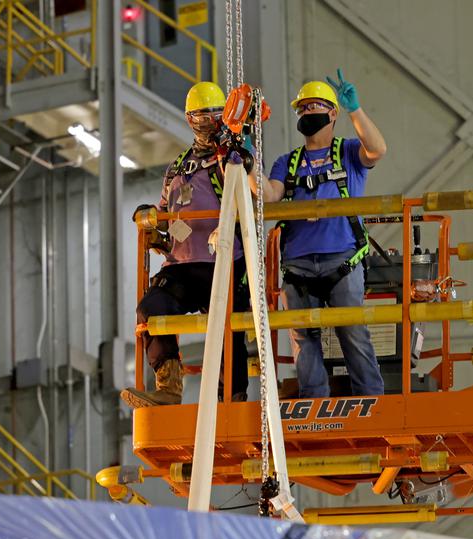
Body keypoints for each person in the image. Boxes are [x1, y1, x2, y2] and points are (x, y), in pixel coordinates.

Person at [122, 80, 250, 408]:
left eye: (216, 114)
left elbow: (248, 188)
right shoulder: (178, 167)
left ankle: (230, 399)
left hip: (223, 260)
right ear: (190, 119)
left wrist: (236, 148)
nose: (209, 122)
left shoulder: (232, 158)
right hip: (182, 264)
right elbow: (165, 210)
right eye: (201, 116)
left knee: (227, 325)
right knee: (151, 308)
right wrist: (152, 221)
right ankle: (168, 388)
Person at [259, 70, 386, 399]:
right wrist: (245, 158)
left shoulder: (348, 153)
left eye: (313, 106)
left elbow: (378, 149)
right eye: (301, 109)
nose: (306, 114)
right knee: (303, 338)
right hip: (298, 265)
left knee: (352, 332)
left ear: (332, 113)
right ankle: (313, 404)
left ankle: (370, 400)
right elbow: (269, 194)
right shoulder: (287, 163)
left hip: (342, 260)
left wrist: (355, 110)